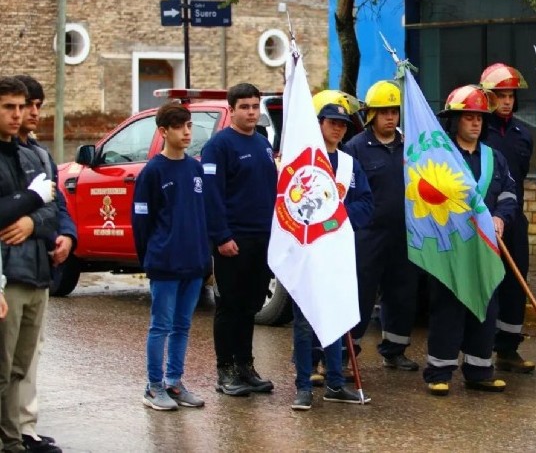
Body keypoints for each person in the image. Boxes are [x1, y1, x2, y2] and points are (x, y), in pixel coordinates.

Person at [424, 85, 518, 396]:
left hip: (486, 248)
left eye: (479, 117)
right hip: (451, 246)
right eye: (468, 117)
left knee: (486, 308)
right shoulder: (439, 157)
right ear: (454, 120)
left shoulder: (496, 158)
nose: (475, 123)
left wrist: (501, 217)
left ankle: (479, 370)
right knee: (448, 309)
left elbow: (508, 195)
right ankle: (439, 371)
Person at [290, 103, 374, 410]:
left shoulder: (350, 164)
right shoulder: (305, 162)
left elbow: (366, 203)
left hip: (338, 250)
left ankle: (336, 384)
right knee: (303, 323)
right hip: (308, 252)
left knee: (336, 320)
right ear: (320, 124)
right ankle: (303, 387)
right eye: (332, 123)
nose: (338, 128)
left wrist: (337, 217)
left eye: (343, 124)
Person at [201, 83, 278, 396]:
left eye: (255, 106)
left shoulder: (262, 144)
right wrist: (221, 236)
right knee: (229, 306)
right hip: (233, 240)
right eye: (244, 107)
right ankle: (226, 370)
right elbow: (211, 194)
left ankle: (246, 366)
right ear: (231, 110)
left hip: (262, 239)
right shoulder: (218, 147)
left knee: (251, 305)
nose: (251, 112)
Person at [14, 75, 77, 451]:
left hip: (40, 266)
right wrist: (40, 223)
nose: (34, 113)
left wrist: (67, 235)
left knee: (31, 351)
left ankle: (25, 425)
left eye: (38, 105)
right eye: (27, 106)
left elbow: (58, 205)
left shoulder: (41, 153)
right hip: (13, 265)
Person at [133, 103, 209, 411]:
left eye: (190, 125)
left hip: (193, 262)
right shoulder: (152, 171)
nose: (187, 132)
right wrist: (150, 257)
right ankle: (153, 387)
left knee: (183, 325)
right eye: (180, 127)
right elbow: (141, 221)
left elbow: (200, 215)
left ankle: (174, 382)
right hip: (165, 263)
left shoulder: (194, 167)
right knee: (160, 326)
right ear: (164, 132)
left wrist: (204, 256)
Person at [343, 80, 420, 372]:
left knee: (402, 292)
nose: (390, 117)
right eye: (384, 112)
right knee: (361, 294)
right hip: (368, 235)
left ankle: (395, 349)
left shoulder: (410, 147)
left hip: (404, 234)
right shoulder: (355, 149)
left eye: (394, 111)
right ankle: (348, 353)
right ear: (371, 115)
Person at [0, 76, 58, 453]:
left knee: (21, 366)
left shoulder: (28, 152)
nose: (18, 115)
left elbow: (53, 206)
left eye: (22, 107)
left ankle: (14, 439)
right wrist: (29, 199)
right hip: (7, 274)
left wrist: (31, 220)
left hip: (37, 272)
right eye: (9, 107)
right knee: (2, 371)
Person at [479, 63, 535, 374]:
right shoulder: (476, 131)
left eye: (511, 96)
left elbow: (521, 175)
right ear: (487, 97)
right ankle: (481, 347)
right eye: (500, 95)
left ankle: (508, 349)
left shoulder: (521, 135)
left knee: (516, 283)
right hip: (482, 222)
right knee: (488, 284)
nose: (507, 101)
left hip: (514, 220)